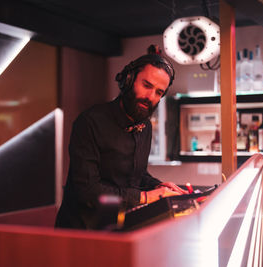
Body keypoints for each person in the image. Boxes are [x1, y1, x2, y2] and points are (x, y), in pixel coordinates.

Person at [55, 45, 187, 230]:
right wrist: (147, 196)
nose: (150, 97)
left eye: (158, 92)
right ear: (128, 80)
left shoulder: (146, 126)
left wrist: (159, 186)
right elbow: (88, 192)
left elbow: (135, 176)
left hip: (121, 227)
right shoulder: (90, 122)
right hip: (82, 231)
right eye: (147, 85)